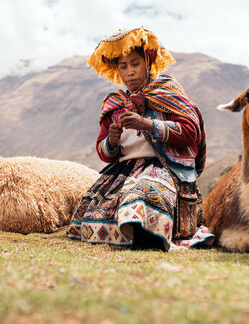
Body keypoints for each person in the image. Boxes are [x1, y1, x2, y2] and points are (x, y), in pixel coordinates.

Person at [67, 28, 214, 251]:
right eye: (123, 66)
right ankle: (135, 234)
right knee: (91, 209)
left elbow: (189, 133)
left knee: (145, 194)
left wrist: (146, 124)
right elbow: (103, 152)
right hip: (123, 172)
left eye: (135, 63)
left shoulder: (167, 92)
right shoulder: (115, 104)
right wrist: (112, 141)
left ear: (147, 62)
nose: (130, 72)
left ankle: (148, 235)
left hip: (164, 169)